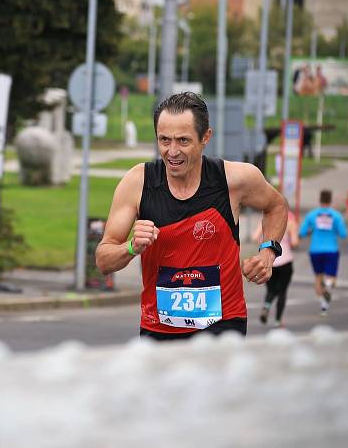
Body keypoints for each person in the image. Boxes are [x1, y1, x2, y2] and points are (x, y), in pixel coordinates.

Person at [95, 92, 289, 341]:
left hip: (223, 326)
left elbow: (276, 206)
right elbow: (103, 260)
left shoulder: (235, 179)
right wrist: (131, 247)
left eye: (183, 141)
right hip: (159, 330)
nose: (172, 152)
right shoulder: (138, 182)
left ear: (205, 137)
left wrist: (267, 252)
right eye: (164, 140)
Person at [299, 189, 347, 316]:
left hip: (315, 250)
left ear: (319, 200)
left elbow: (302, 232)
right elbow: (343, 234)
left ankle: (323, 306)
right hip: (331, 250)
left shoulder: (311, 215)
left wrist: (311, 231)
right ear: (330, 200)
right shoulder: (336, 215)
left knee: (318, 278)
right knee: (332, 278)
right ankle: (327, 286)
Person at [255, 211, 299, 327]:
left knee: (271, 289)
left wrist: (266, 245)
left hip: (269, 262)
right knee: (282, 292)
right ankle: (278, 321)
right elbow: (295, 242)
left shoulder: (265, 221)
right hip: (285, 260)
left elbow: (255, 237)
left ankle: (266, 306)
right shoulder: (289, 222)